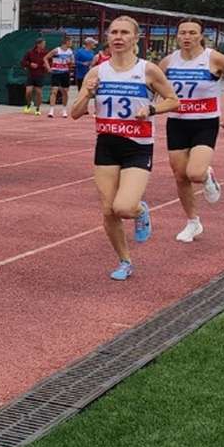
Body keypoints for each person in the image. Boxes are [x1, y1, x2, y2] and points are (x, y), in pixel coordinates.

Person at [70, 15, 180, 281]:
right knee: (108, 210)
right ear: (107, 38)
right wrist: (88, 94)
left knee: (124, 207)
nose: (118, 37)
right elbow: (75, 112)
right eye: (114, 32)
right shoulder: (97, 72)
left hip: (137, 146)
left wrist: (151, 108)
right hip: (107, 145)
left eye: (124, 33)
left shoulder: (148, 70)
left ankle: (140, 211)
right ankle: (125, 261)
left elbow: (173, 100)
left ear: (136, 38)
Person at [162, 19, 224, 243]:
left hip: (205, 123)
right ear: (177, 36)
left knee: (194, 173)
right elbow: (150, 85)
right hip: (177, 123)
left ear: (201, 36)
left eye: (192, 33)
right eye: (183, 33)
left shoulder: (214, 58)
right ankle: (193, 222)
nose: (187, 37)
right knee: (180, 176)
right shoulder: (168, 61)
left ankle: (207, 175)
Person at [44, 35, 76, 117]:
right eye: (70, 42)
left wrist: (70, 62)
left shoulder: (70, 52)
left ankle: (64, 110)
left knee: (65, 92)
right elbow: (45, 58)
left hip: (65, 73)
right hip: (56, 73)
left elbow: (73, 62)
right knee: (54, 91)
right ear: (66, 42)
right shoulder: (56, 50)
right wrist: (48, 68)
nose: (71, 44)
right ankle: (51, 111)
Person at [21, 37, 48, 114]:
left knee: (39, 92)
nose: (44, 45)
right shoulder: (30, 52)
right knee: (28, 91)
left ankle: (37, 109)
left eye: (44, 44)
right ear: (38, 44)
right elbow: (23, 62)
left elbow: (50, 61)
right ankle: (28, 104)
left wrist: (46, 65)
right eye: (43, 44)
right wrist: (30, 64)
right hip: (31, 74)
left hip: (40, 74)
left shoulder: (46, 53)